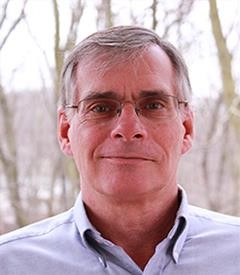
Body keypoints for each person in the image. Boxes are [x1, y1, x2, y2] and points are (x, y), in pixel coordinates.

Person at [0, 26, 240, 275]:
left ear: (187, 128)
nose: (128, 129)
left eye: (153, 105)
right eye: (101, 108)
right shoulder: (9, 264)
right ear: (65, 131)